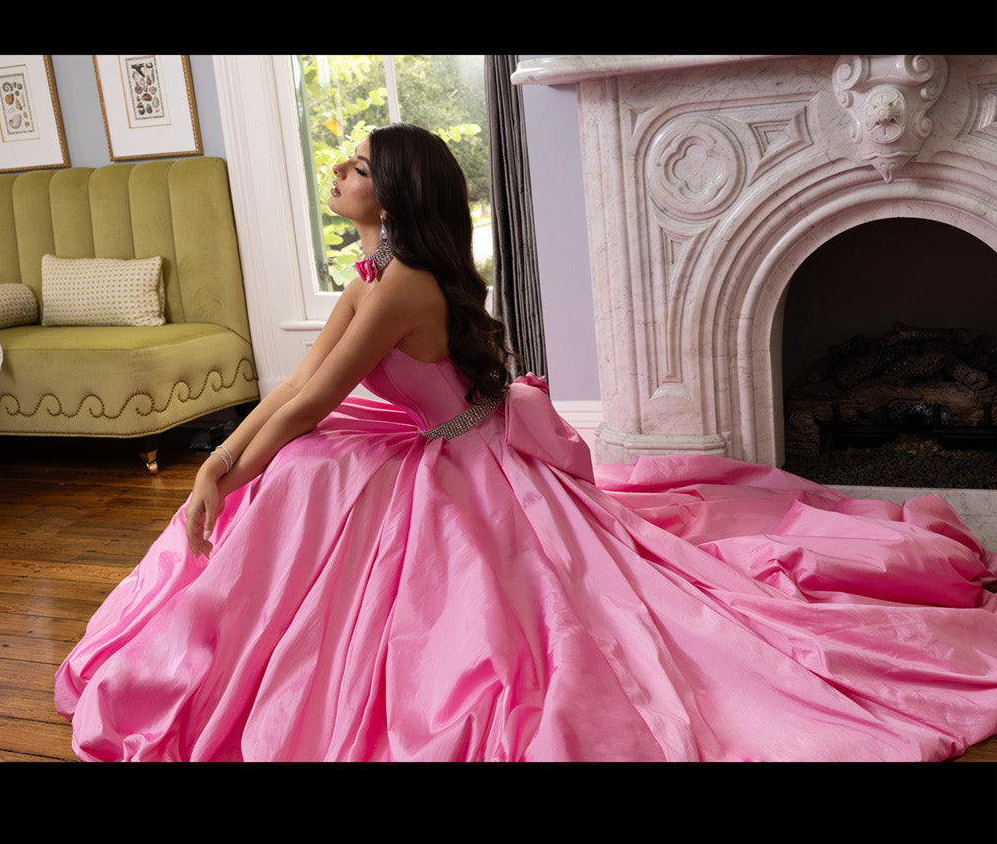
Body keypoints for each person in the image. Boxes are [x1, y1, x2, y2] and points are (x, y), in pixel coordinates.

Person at [55, 124, 997, 761]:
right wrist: (219, 465)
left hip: (466, 459)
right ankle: (237, 630)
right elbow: (297, 386)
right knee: (299, 466)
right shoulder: (376, 270)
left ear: (393, 192)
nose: (337, 173)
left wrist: (223, 471)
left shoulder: (400, 287)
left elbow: (312, 404)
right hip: (439, 437)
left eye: (356, 167)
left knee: (307, 467)